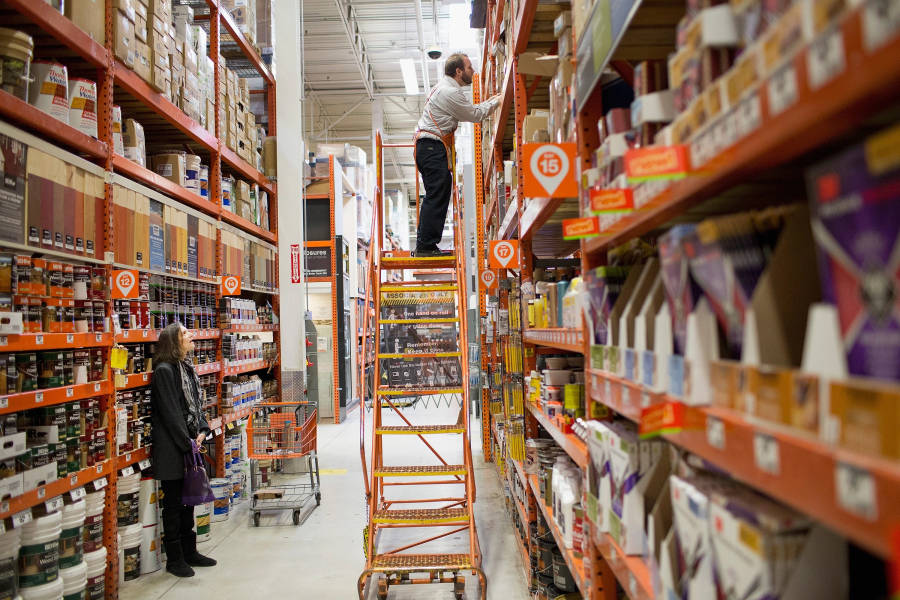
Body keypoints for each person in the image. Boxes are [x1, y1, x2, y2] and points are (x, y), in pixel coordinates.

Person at [414, 52, 500, 256]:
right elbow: (475, 115)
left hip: (430, 147)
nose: (473, 71)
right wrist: (497, 101)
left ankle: (426, 244)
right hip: (431, 147)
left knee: (439, 191)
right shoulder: (450, 92)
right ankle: (425, 246)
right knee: (437, 192)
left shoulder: (445, 88)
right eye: (470, 68)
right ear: (459, 71)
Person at [151, 323, 217, 577]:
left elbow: (195, 406)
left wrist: (202, 431)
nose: (191, 336)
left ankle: (191, 552)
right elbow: (170, 413)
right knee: (175, 504)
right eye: (185, 334)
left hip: (190, 444)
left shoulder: (186, 368)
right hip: (173, 449)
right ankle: (175, 559)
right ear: (173, 342)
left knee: (189, 501)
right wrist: (188, 443)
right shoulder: (164, 371)